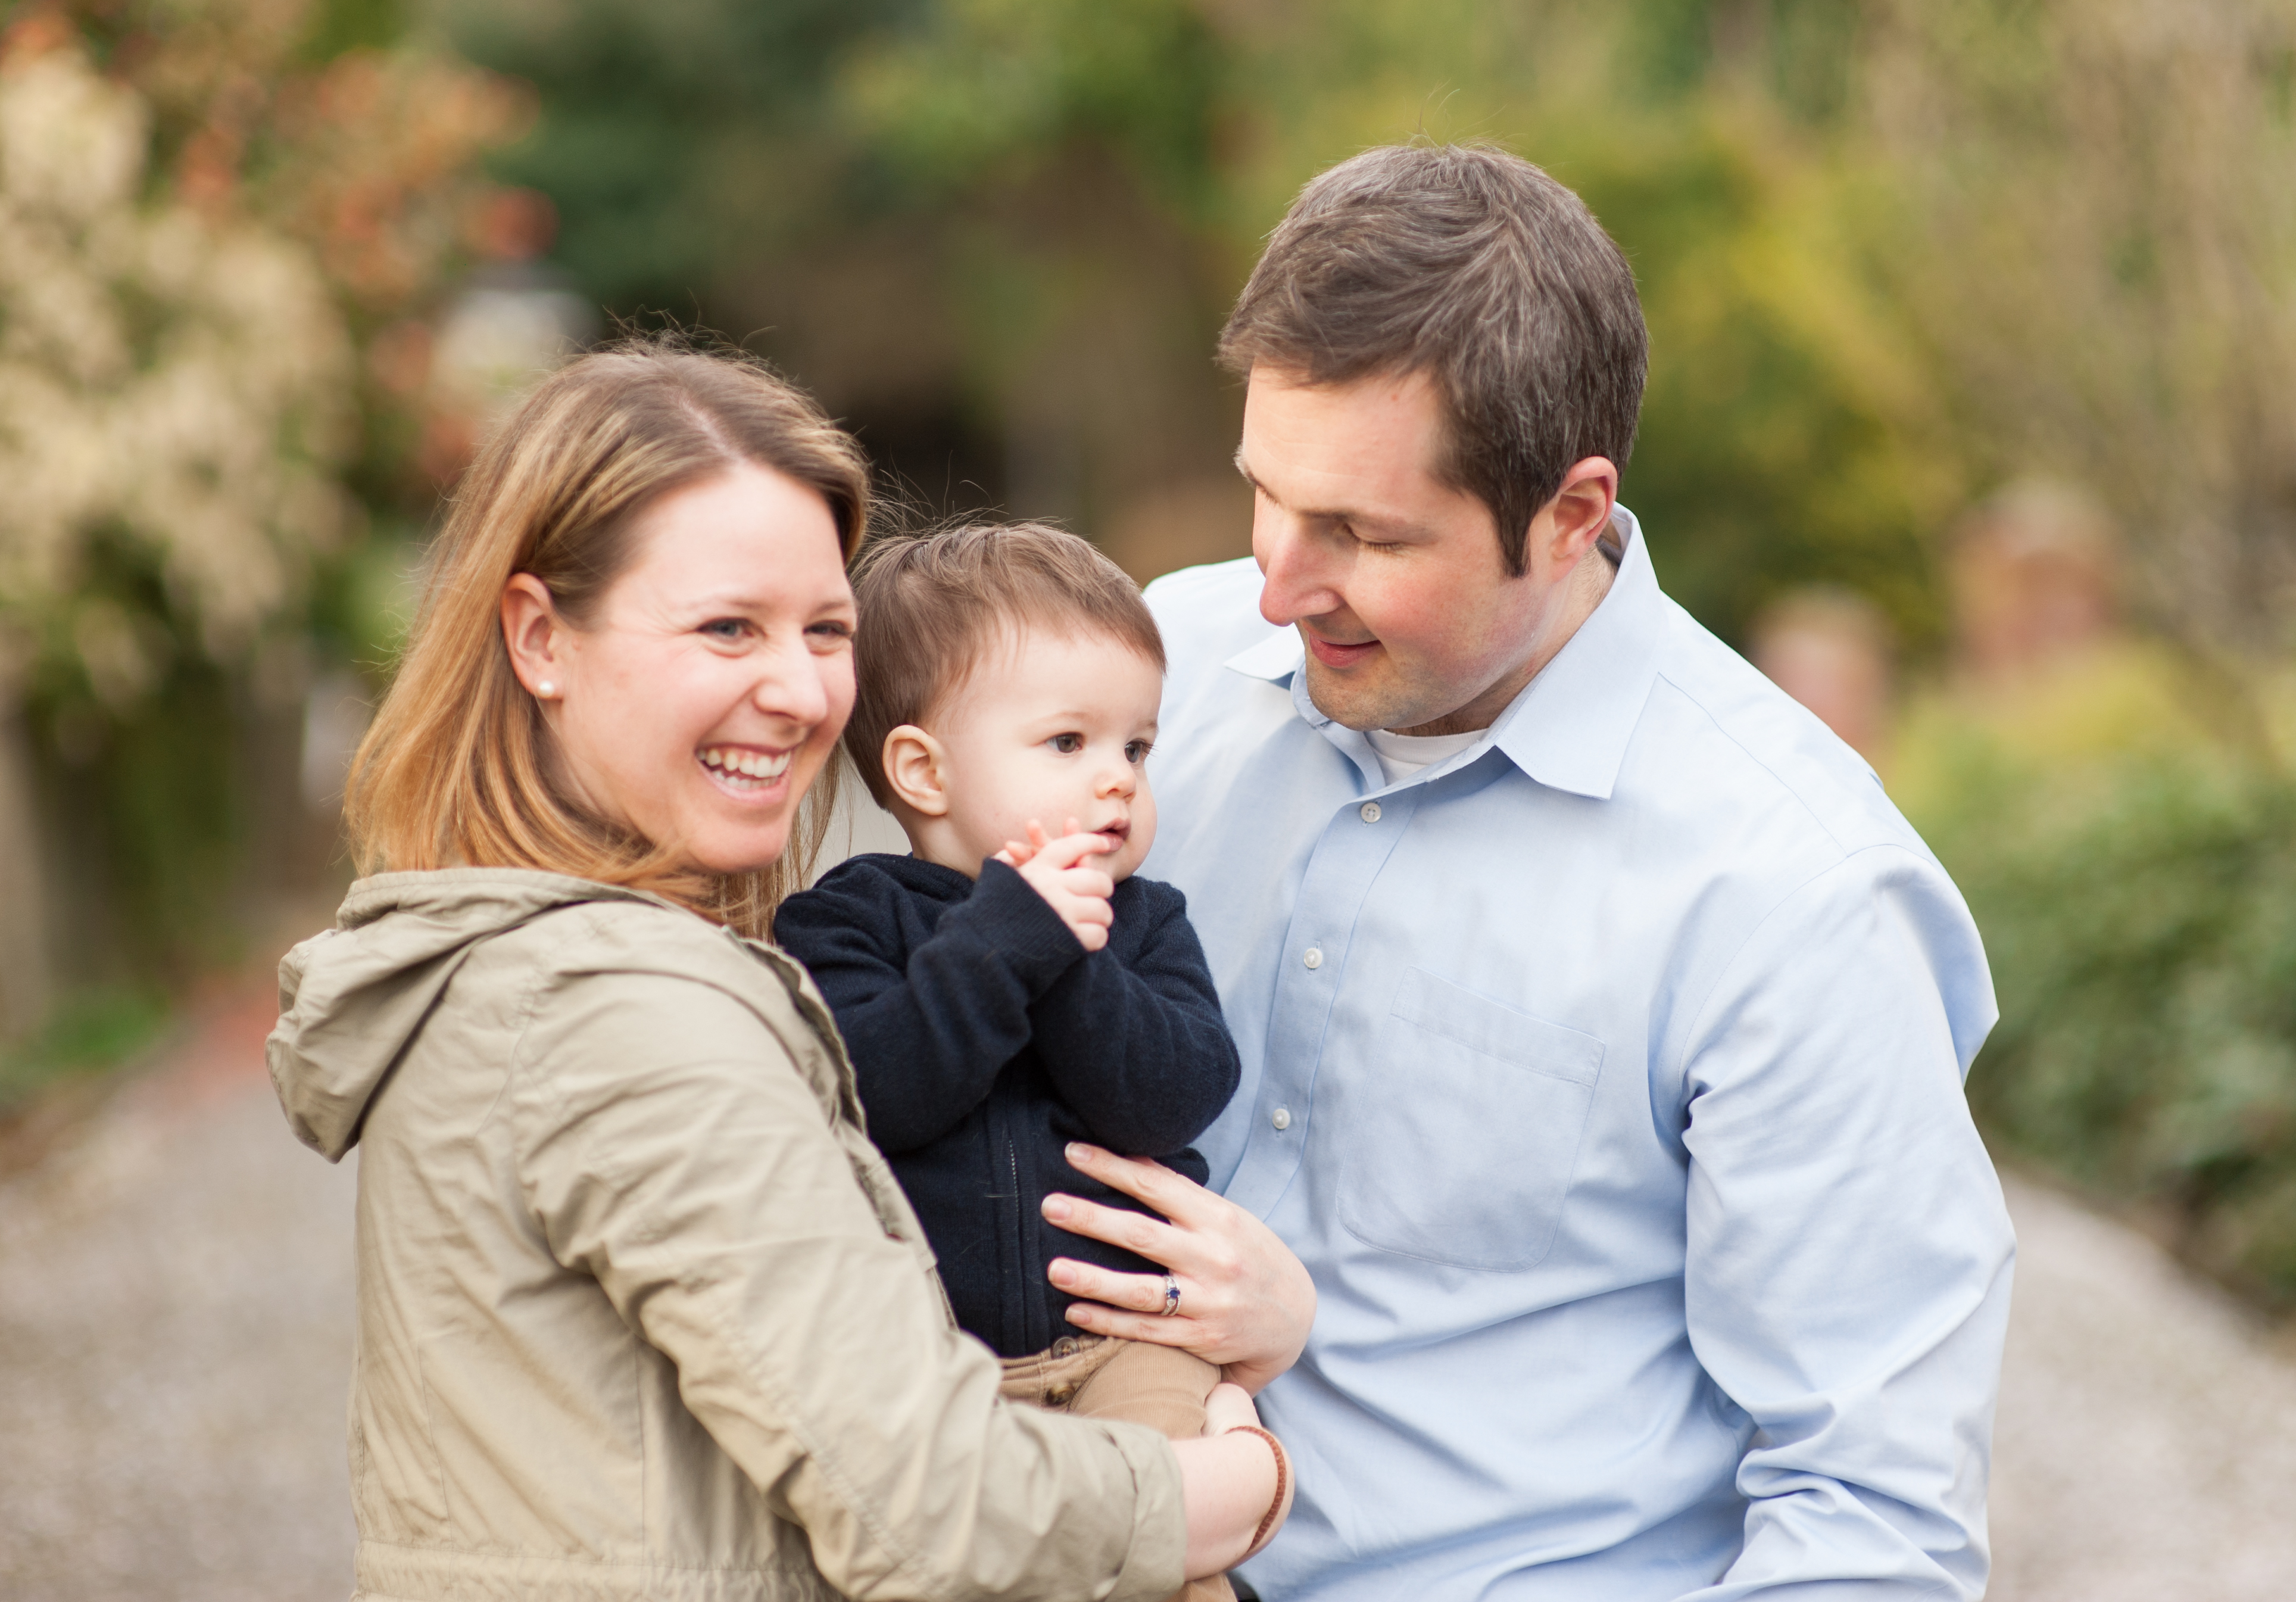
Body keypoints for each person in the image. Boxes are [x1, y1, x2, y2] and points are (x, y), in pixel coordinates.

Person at [1045, 143, 2018, 1600]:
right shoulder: (1146, 685)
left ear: (1569, 516)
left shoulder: (1794, 894)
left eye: (1362, 534)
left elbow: (1867, 1517)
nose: (1274, 584)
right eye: (1267, 494)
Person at [265, 339, 1293, 1602]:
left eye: (825, 629)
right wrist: (1241, 1485)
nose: (802, 691)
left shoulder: (514, 956)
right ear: (539, 638)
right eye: (725, 628)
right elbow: (925, 1501)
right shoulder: (624, 1011)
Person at [772, 523, 1248, 1601]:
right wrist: (1009, 942)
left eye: (1137, 748)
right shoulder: (844, 925)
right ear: (922, 771)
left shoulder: (1145, 925)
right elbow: (874, 1097)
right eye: (1069, 744)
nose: (1117, 783)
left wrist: (1072, 958)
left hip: (1129, 1344)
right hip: (938, 1374)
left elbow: (1174, 1096)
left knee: (1163, 1556)